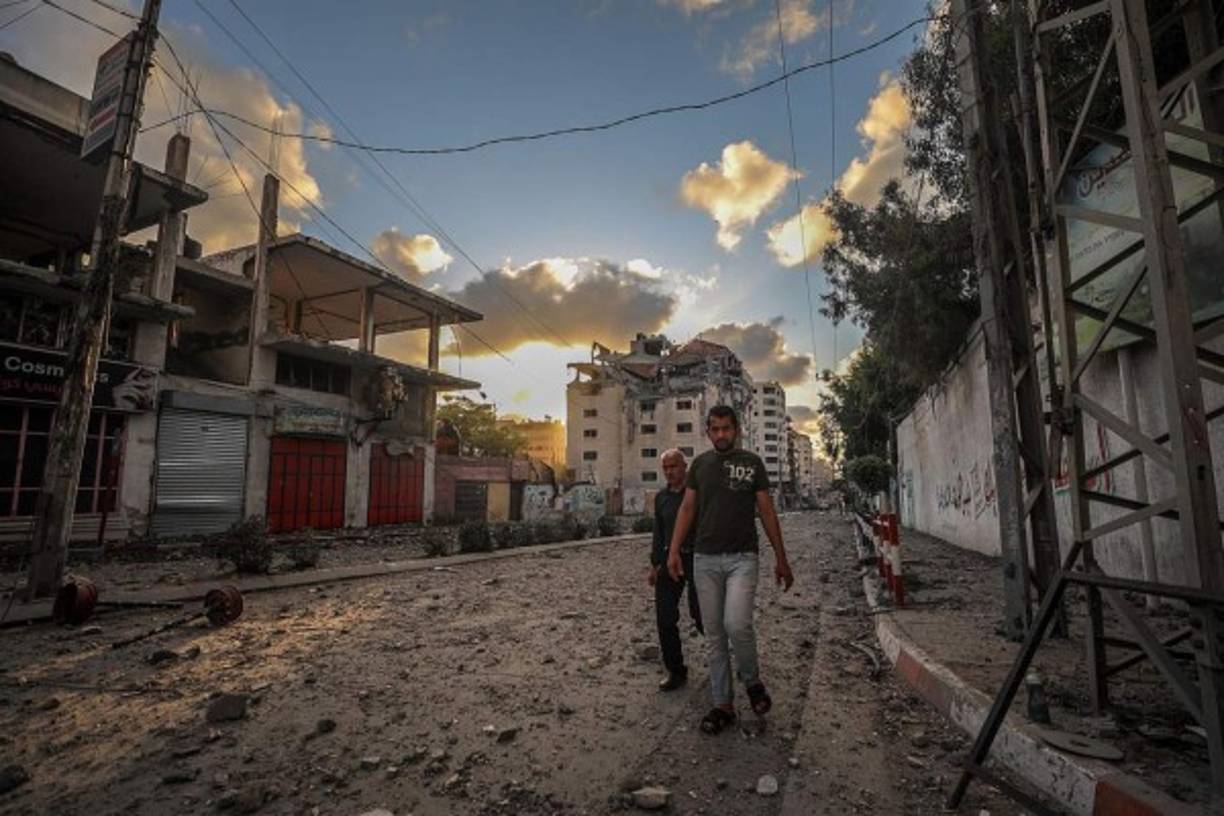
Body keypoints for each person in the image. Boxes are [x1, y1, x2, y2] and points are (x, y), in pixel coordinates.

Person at [667, 404, 794, 735]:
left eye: (726, 428)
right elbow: (688, 508)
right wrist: (674, 551)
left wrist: (781, 558)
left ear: (736, 430)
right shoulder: (700, 465)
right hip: (705, 560)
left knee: (737, 623)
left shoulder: (752, 463)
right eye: (715, 429)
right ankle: (723, 704)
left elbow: (766, 511)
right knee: (714, 635)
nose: (721, 434)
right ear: (708, 432)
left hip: (742, 558)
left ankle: (751, 680)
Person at [648, 449, 702, 691]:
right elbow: (659, 533)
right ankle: (675, 670)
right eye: (665, 468)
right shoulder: (661, 498)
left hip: (697, 558)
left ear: (684, 467)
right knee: (665, 617)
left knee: (701, 615)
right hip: (670, 560)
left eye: (674, 466)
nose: (669, 472)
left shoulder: (697, 494)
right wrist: (655, 565)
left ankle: (722, 658)